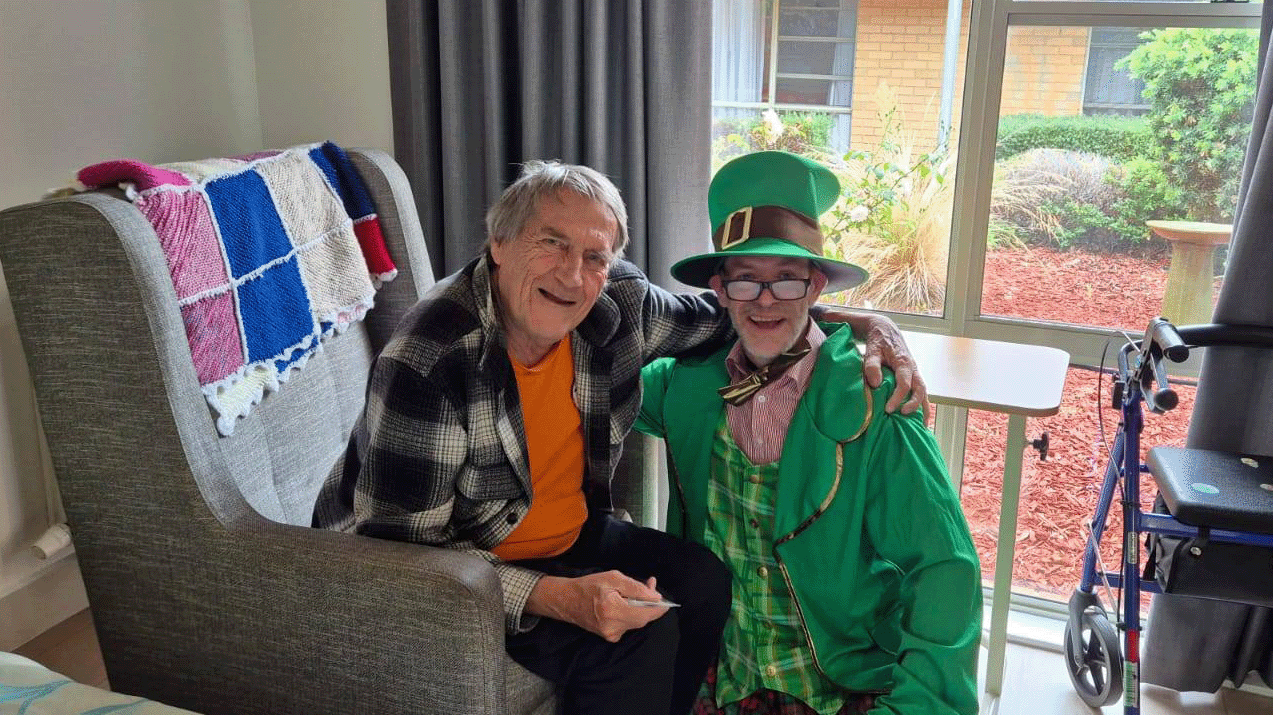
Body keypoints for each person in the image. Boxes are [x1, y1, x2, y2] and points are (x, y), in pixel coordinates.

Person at [312, 159, 928, 715]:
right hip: (446, 561)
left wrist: (866, 320)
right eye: (551, 243)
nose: (573, 276)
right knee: (639, 639)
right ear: (499, 244)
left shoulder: (616, 307)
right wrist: (557, 598)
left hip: (562, 531)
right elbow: (404, 563)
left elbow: (742, 310)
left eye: (595, 257)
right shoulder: (431, 362)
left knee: (703, 581)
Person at [635, 151, 981, 715]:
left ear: (817, 285)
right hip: (721, 677)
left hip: (843, 682)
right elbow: (594, 374)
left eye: (787, 281)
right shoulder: (684, 387)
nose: (766, 301)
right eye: (746, 281)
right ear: (719, 291)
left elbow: (945, 569)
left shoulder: (875, 399)